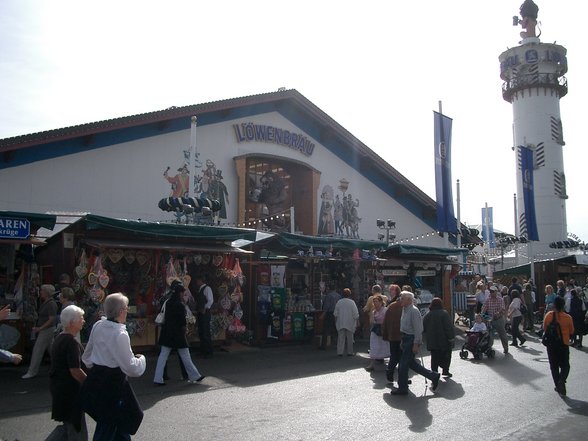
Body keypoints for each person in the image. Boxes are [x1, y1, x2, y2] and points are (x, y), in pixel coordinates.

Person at [81, 293, 146, 440]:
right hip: (113, 384)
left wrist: (97, 365)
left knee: (117, 425)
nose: (127, 311)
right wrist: (142, 360)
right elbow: (130, 367)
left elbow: (87, 356)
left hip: (96, 379)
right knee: (108, 425)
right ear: (122, 311)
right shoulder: (120, 334)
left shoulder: (98, 325)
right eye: (126, 308)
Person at [46, 305, 87, 441]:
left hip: (60, 388)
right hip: (69, 391)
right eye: (81, 318)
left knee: (68, 427)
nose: (83, 321)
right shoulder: (70, 342)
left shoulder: (59, 338)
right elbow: (75, 370)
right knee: (76, 427)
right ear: (71, 323)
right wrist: (89, 384)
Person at [153, 281, 205, 385]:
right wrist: (185, 329)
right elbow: (182, 321)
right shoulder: (180, 305)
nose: (183, 295)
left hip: (166, 332)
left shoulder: (167, 302)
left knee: (163, 356)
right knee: (185, 356)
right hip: (178, 334)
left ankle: (158, 378)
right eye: (182, 293)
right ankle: (195, 375)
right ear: (179, 293)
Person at [390, 291, 440, 396]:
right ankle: (433, 376)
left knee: (403, 365)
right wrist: (402, 341)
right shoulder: (405, 309)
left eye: (402, 298)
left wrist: (416, 343)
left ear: (409, 300)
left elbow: (418, 329)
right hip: (405, 338)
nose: (400, 300)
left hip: (411, 339)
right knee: (411, 364)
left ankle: (402, 388)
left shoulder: (414, 311)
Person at [22, 284, 59, 379]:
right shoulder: (47, 302)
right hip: (46, 329)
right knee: (53, 351)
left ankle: (32, 371)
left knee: (37, 350)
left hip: (47, 330)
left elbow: (51, 319)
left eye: (42, 290)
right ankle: (61, 367)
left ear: (47, 292)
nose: (40, 292)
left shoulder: (51, 304)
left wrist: (40, 328)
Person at [544, 296, 574, 396]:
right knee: (565, 365)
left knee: (554, 366)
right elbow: (572, 331)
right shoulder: (568, 317)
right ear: (563, 305)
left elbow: (544, 328)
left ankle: (558, 385)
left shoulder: (548, 315)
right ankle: (562, 380)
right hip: (563, 343)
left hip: (551, 345)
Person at [422, 297, 455, 378]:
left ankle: (434, 372)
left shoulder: (427, 315)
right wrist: (451, 338)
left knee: (434, 358)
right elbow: (448, 327)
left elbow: (423, 328)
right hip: (444, 340)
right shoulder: (444, 314)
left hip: (432, 341)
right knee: (446, 355)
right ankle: (445, 370)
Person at [382, 284, 402, 382]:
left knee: (396, 355)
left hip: (395, 334)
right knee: (398, 355)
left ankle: (392, 373)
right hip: (398, 334)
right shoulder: (394, 304)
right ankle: (400, 376)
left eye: (393, 290)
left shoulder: (394, 304)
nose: (391, 291)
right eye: (390, 290)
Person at [481, 286, 510, 354]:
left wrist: (498, 313)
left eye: (493, 292)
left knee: (502, 334)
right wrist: (482, 314)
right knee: (490, 335)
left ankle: (506, 348)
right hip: (490, 319)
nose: (491, 293)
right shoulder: (488, 300)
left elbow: (502, 309)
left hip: (499, 319)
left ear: (496, 292)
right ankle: (489, 348)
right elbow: (484, 308)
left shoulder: (500, 299)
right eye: (490, 291)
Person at [365, 294, 390, 371]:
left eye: (376, 301)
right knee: (374, 346)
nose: (375, 303)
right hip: (375, 330)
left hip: (383, 330)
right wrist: (372, 315)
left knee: (386, 346)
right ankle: (372, 364)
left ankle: (391, 364)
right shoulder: (374, 311)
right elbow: (372, 322)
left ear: (381, 302)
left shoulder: (385, 310)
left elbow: (388, 320)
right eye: (374, 302)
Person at [333, 288, 359, 356]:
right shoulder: (352, 302)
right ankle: (350, 352)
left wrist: (336, 322)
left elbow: (335, 313)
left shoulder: (339, 302)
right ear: (349, 294)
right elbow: (355, 314)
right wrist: (357, 321)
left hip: (340, 322)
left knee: (340, 338)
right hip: (350, 323)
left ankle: (340, 352)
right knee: (350, 338)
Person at [194, 275, 214, 357]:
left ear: (200, 280)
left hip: (205, 313)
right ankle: (203, 351)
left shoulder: (207, 288)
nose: (196, 282)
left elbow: (210, 300)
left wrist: (205, 308)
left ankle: (208, 352)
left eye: (197, 280)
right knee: (201, 332)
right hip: (200, 312)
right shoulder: (200, 289)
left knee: (205, 332)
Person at [319, 282, 341, 350]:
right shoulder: (338, 296)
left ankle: (324, 345)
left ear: (329, 288)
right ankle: (339, 344)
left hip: (330, 314)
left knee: (326, 329)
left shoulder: (328, 296)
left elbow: (326, 307)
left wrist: (323, 315)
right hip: (337, 313)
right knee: (337, 329)